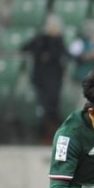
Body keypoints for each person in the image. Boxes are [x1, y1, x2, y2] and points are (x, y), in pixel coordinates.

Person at [22, 14, 69, 143]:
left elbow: (64, 54)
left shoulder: (59, 41)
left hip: (54, 80)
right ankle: (43, 134)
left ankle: (55, 135)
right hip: (40, 79)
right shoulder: (40, 39)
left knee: (52, 107)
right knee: (42, 107)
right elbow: (25, 48)